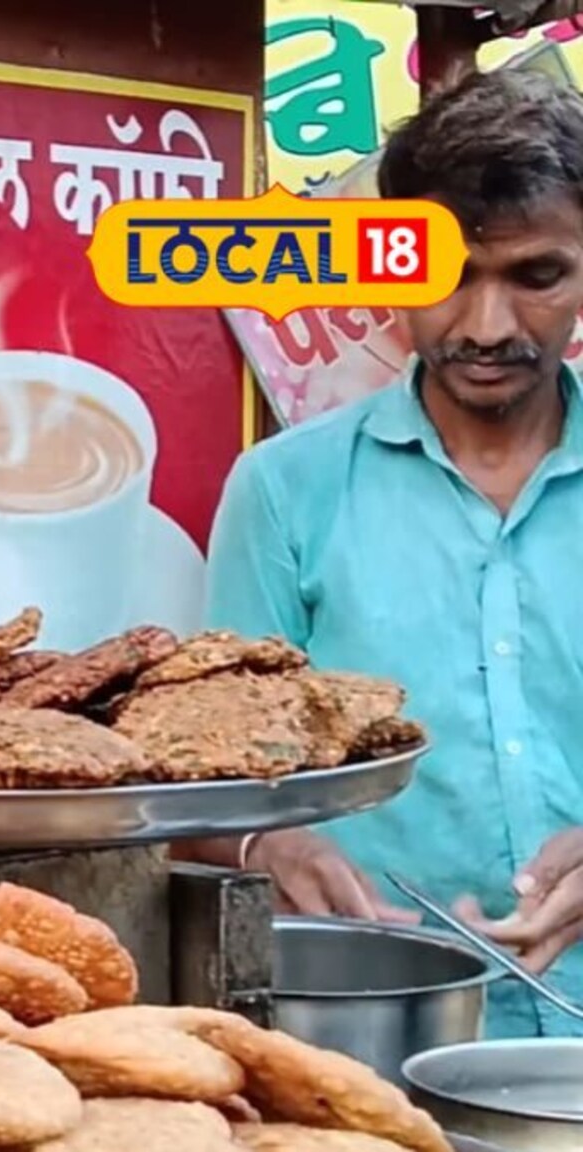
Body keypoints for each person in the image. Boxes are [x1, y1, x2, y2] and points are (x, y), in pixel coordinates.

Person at [203, 67, 583, 1039]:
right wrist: (262, 842)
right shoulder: (283, 490)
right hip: (378, 1041)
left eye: (534, 275)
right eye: (442, 274)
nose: (484, 326)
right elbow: (206, 777)